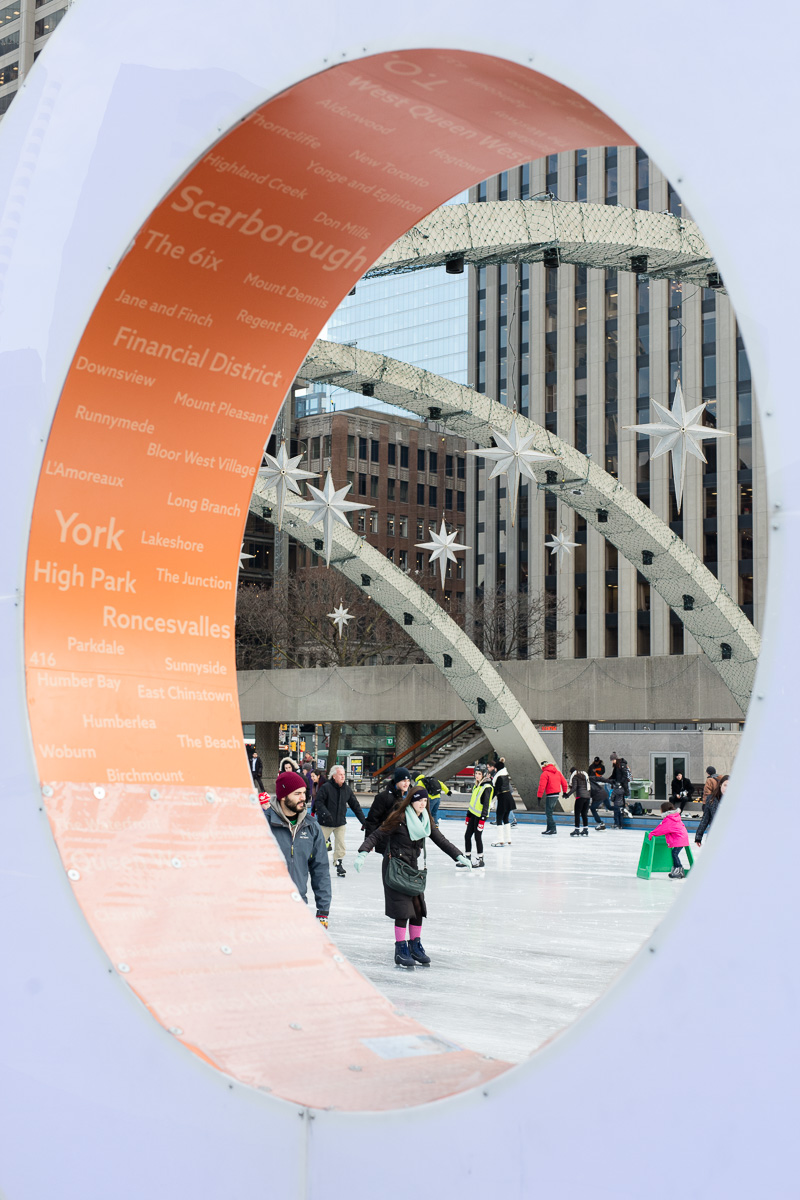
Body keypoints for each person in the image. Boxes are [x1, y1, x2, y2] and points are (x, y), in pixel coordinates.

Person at [353, 784, 470, 968]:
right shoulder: (399, 817)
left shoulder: (426, 820)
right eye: (419, 800)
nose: (423, 804)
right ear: (411, 801)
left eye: (425, 801)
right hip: (396, 867)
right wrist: (363, 852)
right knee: (403, 909)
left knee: (417, 908)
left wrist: (459, 855)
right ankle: (400, 949)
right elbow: (377, 835)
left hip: (413, 868)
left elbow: (440, 840)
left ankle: (415, 945)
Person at [262, 770, 331, 925]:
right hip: (265, 910)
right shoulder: (262, 825)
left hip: (298, 907)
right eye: (297, 793)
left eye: (304, 793)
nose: (303, 798)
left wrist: (323, 911)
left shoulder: (311, 826)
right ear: (283, 796)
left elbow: (320, 868)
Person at [313, 763, 367, 878]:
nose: (343, 776)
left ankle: (338, 863)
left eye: (343, 774)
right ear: (334, 776)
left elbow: (355, 806)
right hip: (326, 822)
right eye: (340, 774)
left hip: (340, 823)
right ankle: (314, 862)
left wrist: (364, 821)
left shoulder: (346, 789)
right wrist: (325, 813)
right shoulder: (326, 787)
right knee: (318, 843)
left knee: (341, 844)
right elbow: (319, 802)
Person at [364, 767, 412, 838]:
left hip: (405, 841)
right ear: (397, 781)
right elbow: (373, 820)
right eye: (403, 780)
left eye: (408, 781)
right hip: (386, 840)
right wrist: (368, 839)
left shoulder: (412, 796)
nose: (406, 783)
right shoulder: (383, 797)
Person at [648, 800, 690, 878]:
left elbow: (662, 829)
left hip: (679, 838)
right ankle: (676, 869)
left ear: (664, 810)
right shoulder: (673, 816)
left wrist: (652, 833)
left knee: (674, 853)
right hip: (681, 837)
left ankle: (679, 870)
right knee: (674, 853)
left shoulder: (669, 819)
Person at [461, 765, 492, 866]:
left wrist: (482, 820)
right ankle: (467, 858)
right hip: (473, 815)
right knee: (467, 836)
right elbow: (472, 803)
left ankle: (480, 860)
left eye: (479, 774)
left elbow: (486, 805)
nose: (477, 776)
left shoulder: (487, 787)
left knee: (477, 837)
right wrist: (468, 816)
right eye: (476, 773)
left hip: (480, 817)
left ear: (483, 774)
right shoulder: (477, 785)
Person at [537, 760, 569, 835]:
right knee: (549, 812)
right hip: (556, 794)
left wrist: (539, 796)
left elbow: (542, 786)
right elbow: (564, 783)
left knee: (548, 813)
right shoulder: (557, 772)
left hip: (550, 794)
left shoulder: (545, 773)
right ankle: (549, 829)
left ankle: (553, 828)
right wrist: (564, 792)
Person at [489, 758, 515, 845]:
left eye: (496, 768)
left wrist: (490, 799)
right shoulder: (505, 776)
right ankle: (508, 838)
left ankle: (500, 839)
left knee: (499, 818)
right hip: (509, 798)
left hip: (503, 798)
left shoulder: (499, 777)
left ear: (498, 769)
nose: (495, 770)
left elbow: (496, 790)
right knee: (506, 818)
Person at [696, 774, 727, 845]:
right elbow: (705, 818)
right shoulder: (711, 799)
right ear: (720, 785)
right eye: (725, 785)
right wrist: (699, 836)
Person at [566, 766, 591, 837]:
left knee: (577, 814)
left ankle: (577, 829)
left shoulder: (575, 777)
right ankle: (585, 829)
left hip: (580, 797)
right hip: (587, 797)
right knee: (584, 814)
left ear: (572, 772)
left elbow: (574, 788)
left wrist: (567, 794)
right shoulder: (584, 776)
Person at [607, 755, 631, 828]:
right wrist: (609, 779)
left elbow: (624, 775)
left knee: (618, 810)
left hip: (621, 786)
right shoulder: (616, 766)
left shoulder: (621, 765)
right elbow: (614, 775)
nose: (612, 762)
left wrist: (620, 782)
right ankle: (620, 824)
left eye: (612, 760)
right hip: (619, 786)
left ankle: (618, 823)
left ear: (615, 759)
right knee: (620, 807)